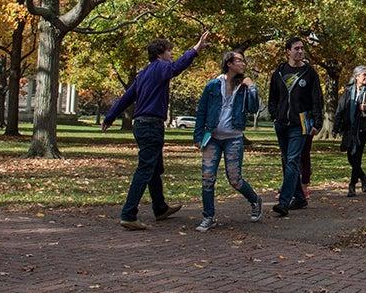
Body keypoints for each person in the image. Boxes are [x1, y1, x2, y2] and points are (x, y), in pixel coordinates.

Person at [102, 31, 208, 230]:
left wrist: (110, 116)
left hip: (141, 125)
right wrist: (195, 49)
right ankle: (128, 214)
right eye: (170, 51)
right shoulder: (161, 67)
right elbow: (177, 68)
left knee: (154, 169)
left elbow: (127, 97)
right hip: (151, 125)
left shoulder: (143, 73)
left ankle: (160, 208)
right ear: (160, 53)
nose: (171, 55)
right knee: (145, 168)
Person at [191, 51, 263, 231]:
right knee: (207, 178)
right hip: (212, 138)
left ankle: (255, 200)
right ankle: (208, 216)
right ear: (229, 63)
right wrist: (198, 136)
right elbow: (202, 111)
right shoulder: (213, 85)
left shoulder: (245, 87)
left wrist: (252, 87)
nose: (243, 64)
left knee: (235, 179)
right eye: (239, 61)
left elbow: (253, 108)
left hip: (234, 138)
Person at [267, 36, 324, 217]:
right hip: (282, 123)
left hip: (300, 123)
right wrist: (275, 114)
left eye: (302, 48)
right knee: (286, 160)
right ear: (288, 51)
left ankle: (284, 202)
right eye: (296, 48)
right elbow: (273, 98)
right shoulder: (279, 73)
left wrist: (318, 122)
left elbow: (317, 99)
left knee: (292, 160)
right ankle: (300, 198)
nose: (300, 51)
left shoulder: (310, 73)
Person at [333, 65, 366, 197]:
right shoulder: (348, 90)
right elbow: (340, 109)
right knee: (350, 156)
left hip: (362, 129)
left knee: (357, 156)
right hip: (349, 128)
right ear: (356, 77)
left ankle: (352, 185)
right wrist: (336, 128)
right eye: (364, 75)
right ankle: (363, 176)